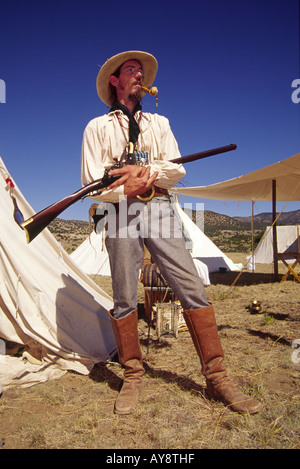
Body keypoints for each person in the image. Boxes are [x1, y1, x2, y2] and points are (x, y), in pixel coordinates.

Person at [81, 51, 261, 416]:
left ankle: (216, 377)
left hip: (160, 207)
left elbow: (174, 167)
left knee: (190, 285)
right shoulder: (96, 128)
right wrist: (124, 188)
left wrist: (147, 176)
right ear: (115, 80)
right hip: (120, 213)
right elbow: (90, 183)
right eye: (132, 70)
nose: (140, 75)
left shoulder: (159, 123)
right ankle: (133, 374)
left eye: (142, 71)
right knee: (124, 297)